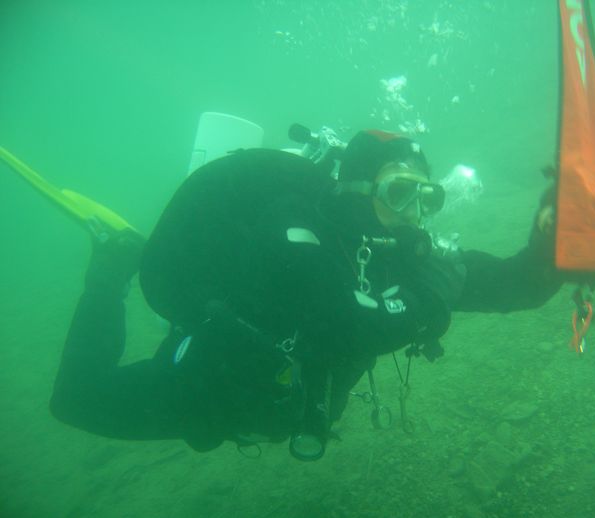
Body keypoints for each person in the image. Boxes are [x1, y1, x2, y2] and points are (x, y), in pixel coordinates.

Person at [50, 130, 561, 460]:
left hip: (288, 404)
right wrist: (427, 302)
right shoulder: (292, 226)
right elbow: (345, 320)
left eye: (427, 197)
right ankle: (110, 268)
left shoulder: (403, 254)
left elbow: (516, 285)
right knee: (77, 400)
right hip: (213, 387)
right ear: (357, 189)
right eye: (399, 192)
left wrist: (556, 240)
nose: (413, 214)